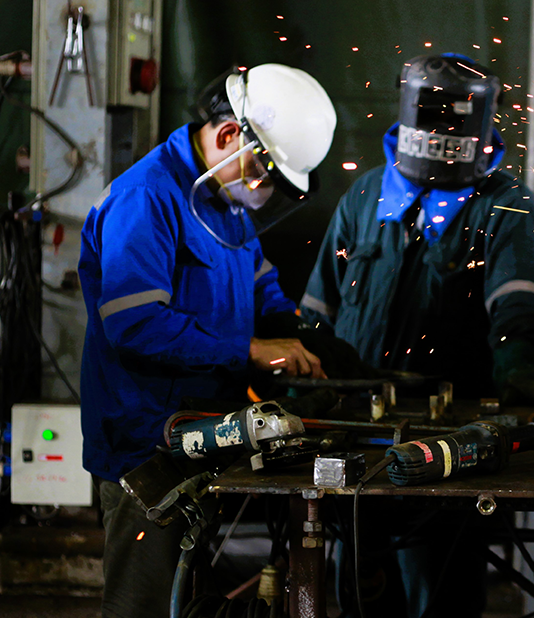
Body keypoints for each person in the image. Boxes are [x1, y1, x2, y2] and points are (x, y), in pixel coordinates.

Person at [299, 54, 534, 617]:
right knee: (358, 592)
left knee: (440, 595)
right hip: (355, 430)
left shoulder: (504, 204)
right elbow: (318, 309)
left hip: (449, 444)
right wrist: (305, 372)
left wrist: (517, 363)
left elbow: (517, 303)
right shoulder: (365, 197)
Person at [79, 64, 340, 618]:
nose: (264, 191)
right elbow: (134, 325)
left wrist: (303, 334)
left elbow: (259, 286)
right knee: (147, 606)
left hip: (208, 438)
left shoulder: (223, 199)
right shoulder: (146, 199)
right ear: (227, 135)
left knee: (192, 601)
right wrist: (247, 350)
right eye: (263, 173)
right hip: (147, 446)